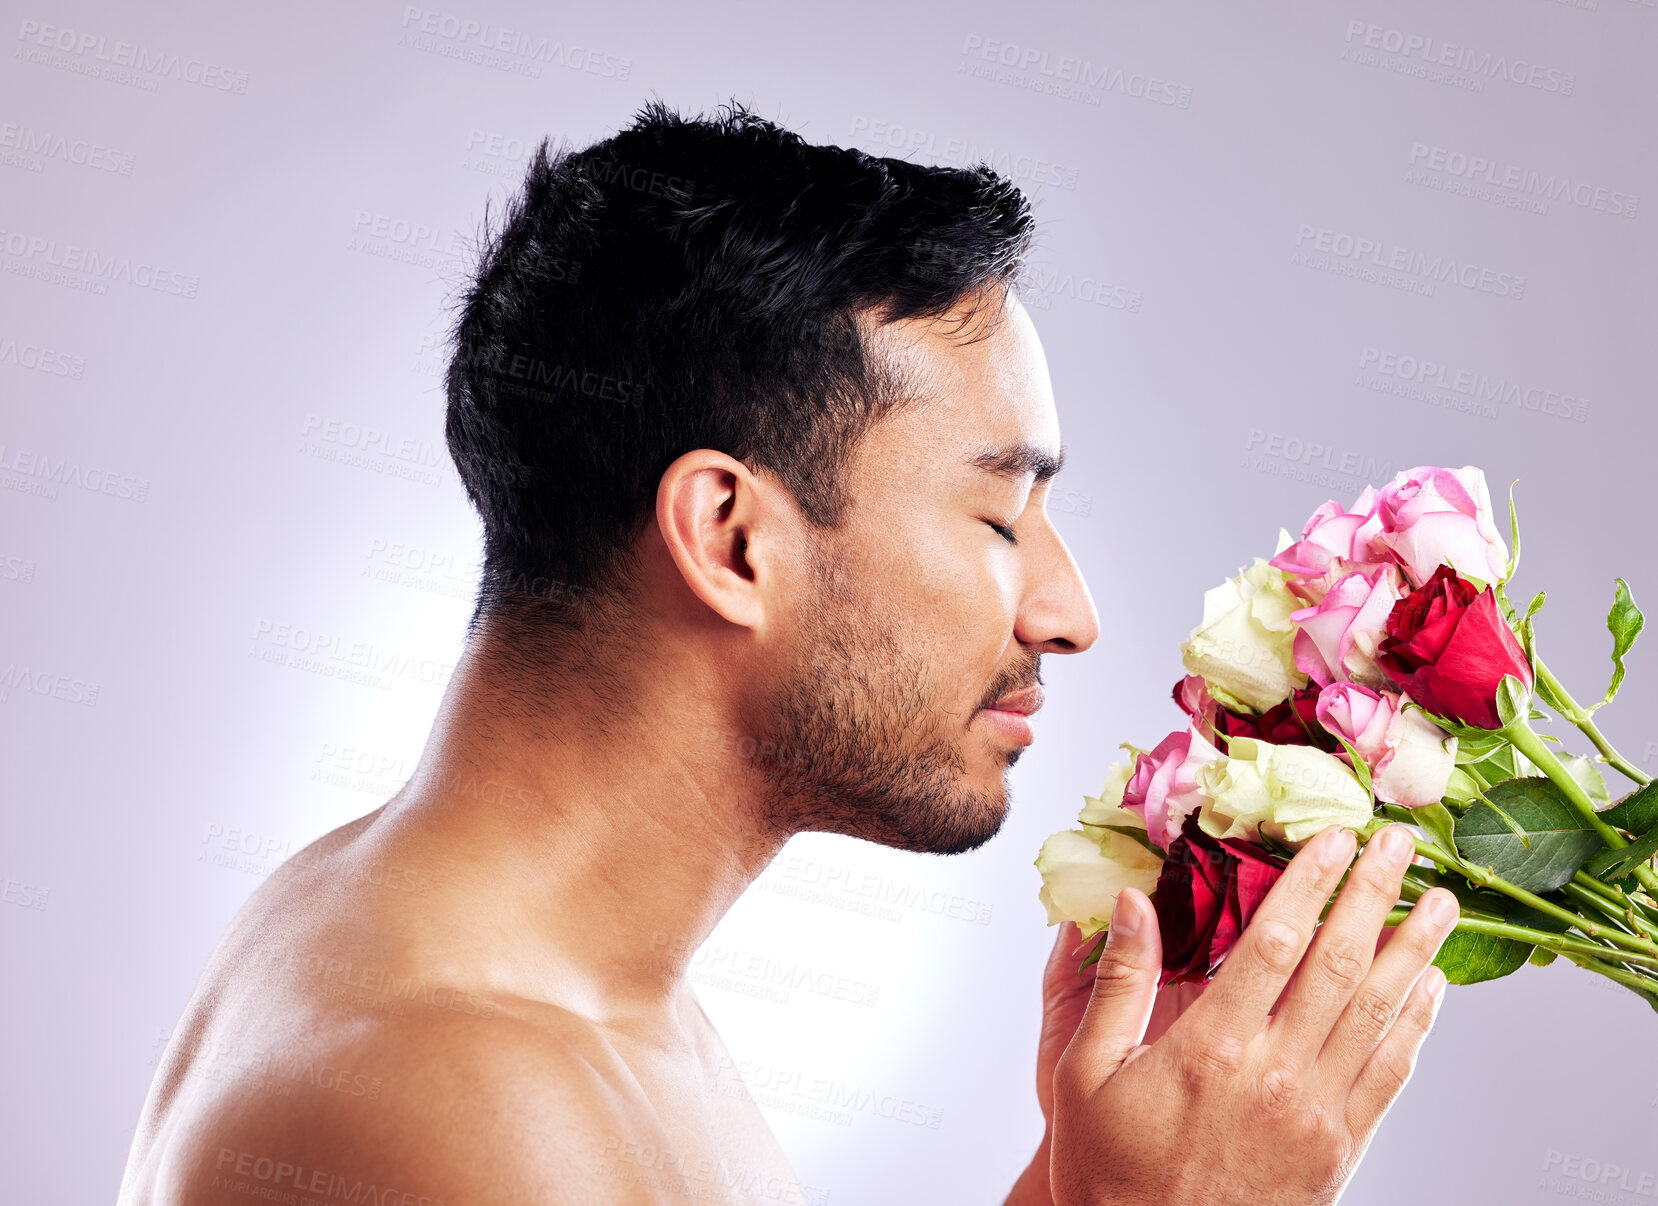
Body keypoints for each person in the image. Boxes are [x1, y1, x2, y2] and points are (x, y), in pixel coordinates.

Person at [118, 100, 1458, 1206]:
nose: (1065, 612)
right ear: (729, 535)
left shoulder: (521, 971)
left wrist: (1074, 1183)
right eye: (998, 515)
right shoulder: (459, 1098)